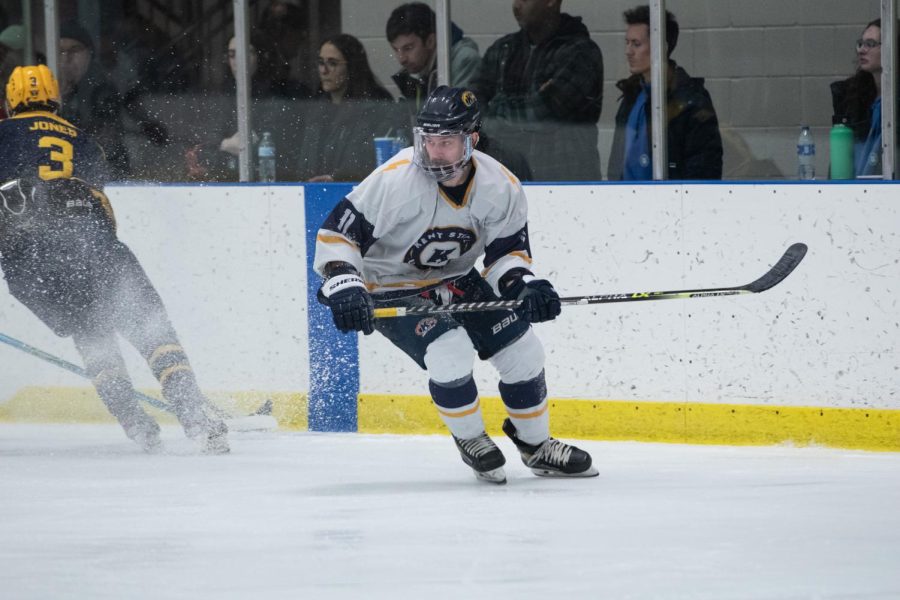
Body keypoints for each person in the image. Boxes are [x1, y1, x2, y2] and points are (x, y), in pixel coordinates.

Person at [313, 86, 598, 483]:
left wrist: (527, 287)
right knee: (450, 351)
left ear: (471, 140)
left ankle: (537, 446)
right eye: (428, 140)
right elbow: (337, 235)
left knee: (524, 351)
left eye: (446, 142)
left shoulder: (501, 187)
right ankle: (472, 438)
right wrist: (345, 284)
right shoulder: (395, 180)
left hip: (458, 279)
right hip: (389, 284)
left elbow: (506, 258)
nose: (434, 152)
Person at [0, 65, 228, 454]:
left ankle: (135, 423)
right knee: (151, 329)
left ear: (9, 101)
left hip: (29, 265)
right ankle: (196, 416)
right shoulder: (84, 141)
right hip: (95, 246)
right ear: (56, 98)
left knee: (91, 335)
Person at [469, 0, 604, 181]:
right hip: (506, 176)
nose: (516, 6)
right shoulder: (503, 49)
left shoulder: (581, 52)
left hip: (566, 181)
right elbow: (470, 105)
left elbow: (542, 113)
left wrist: (495, 105)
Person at [607, 6, 723, 180]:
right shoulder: (631, 97)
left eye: (636, 44)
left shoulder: (691, 102)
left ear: (662, 47)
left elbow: (704, 170)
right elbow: (617, 166)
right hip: (628, 204)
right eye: (627, 42)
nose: (628, 51)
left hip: (672, 204)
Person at [185, 33, 309, 181]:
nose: (238, 60)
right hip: (227, 179)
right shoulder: (223, 94)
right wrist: (225, 144)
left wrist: (225, 145)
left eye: (245, 53)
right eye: (232, 55)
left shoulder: (277, 94)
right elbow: (207, 140)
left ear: (260, 56)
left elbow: (272, 141)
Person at [57, 20, 168, 180]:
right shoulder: (48, 86)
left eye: (75, 50)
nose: (66, 59)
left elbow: (108, 133)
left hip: (106, 163)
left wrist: (147, 124)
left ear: (89, 54)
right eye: (60, 51)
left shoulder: (102, 83)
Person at [295, 34, 399, 182]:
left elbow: (369, 159)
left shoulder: (375, 106)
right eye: (320, 62)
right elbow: (304, 162)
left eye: (332, 63)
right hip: (316, 191)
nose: (324, 71)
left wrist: (337, 179)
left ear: (351, 66)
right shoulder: (317, 108)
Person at [386, 2, 481, 110]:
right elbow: (403, 119)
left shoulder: (464, 61)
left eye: (408, 48)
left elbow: (461, 115)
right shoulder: (416, 69)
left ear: (430, 41)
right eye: (395, 49)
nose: (401, 58)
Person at [830, 19, 893, 177]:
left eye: (870, 44)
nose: (862, 50)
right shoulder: (852, 96)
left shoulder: (891, 102)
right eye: (861, 43)